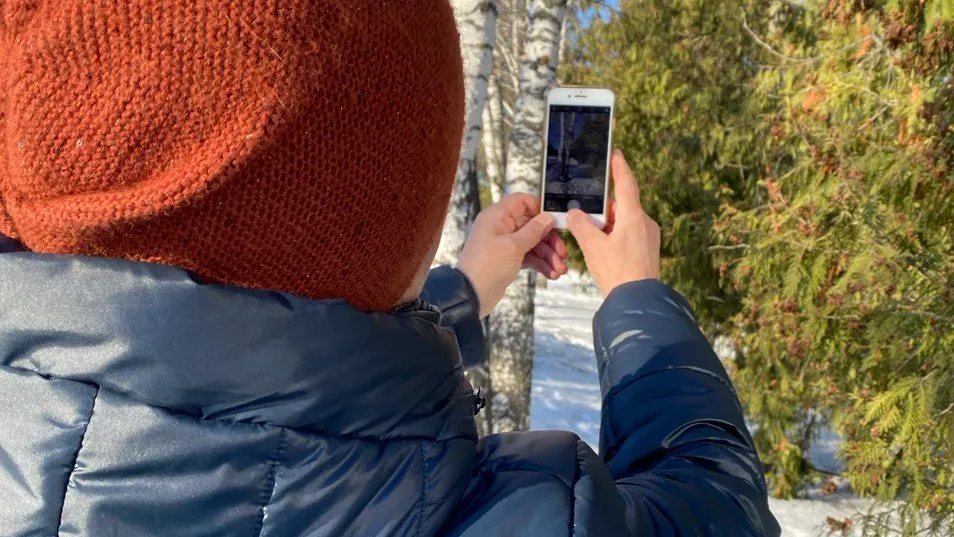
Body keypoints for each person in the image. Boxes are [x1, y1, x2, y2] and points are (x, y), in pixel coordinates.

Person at [0, 1, 780, 535]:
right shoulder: (516, 513)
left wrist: (467, 291)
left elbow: (249, 366)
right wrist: (637, 296)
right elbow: (713, 499)